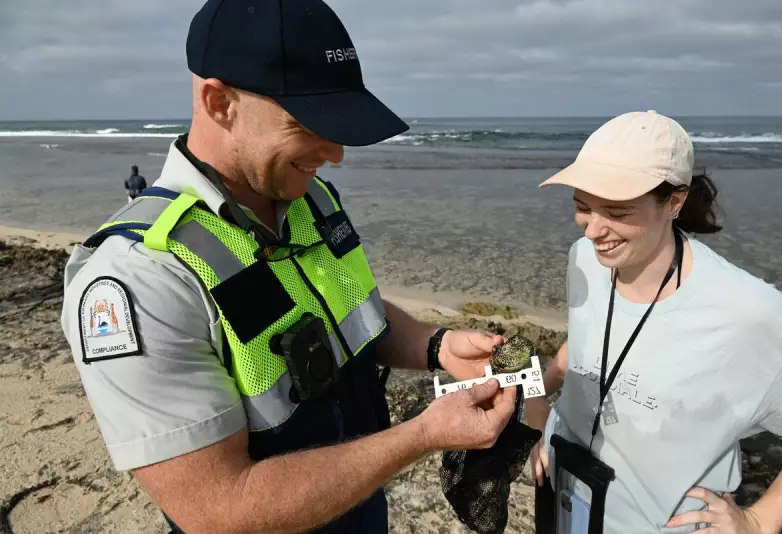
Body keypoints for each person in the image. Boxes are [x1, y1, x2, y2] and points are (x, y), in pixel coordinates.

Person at [59, 0, 518, 532]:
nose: (337, 153)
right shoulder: (140, 279)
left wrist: (436, 345)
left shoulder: (309, 200)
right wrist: (424, 435)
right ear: (219, 101)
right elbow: (218, 508)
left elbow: (343, 312)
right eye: (308, 122)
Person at [526, 110, 782, 533]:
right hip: (564, 502)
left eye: (616, 212)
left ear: (674, 201)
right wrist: (537, 407)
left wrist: (760, 521)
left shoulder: (749, 314)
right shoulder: (583, 259)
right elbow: (586, 342)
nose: (594, 230)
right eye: (582, 207)